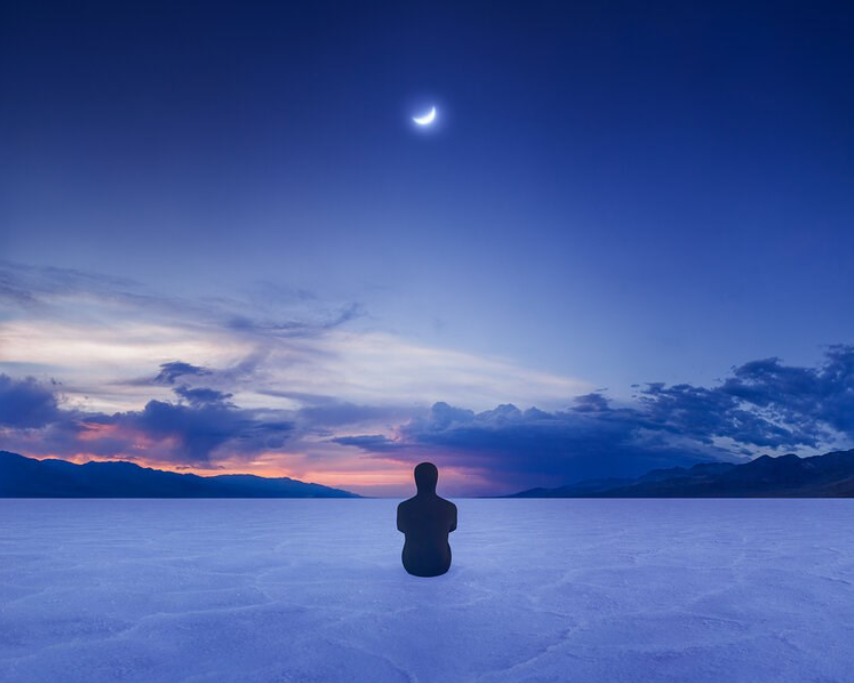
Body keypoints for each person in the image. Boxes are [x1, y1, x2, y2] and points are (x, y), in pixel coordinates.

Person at [397, 462, 457, 577]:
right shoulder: (450, 507)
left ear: (416, 480)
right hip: (441, 565)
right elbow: (452, 528)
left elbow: (401, 528)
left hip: (411, 564)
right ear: (436, 479)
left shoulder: (403, 507)